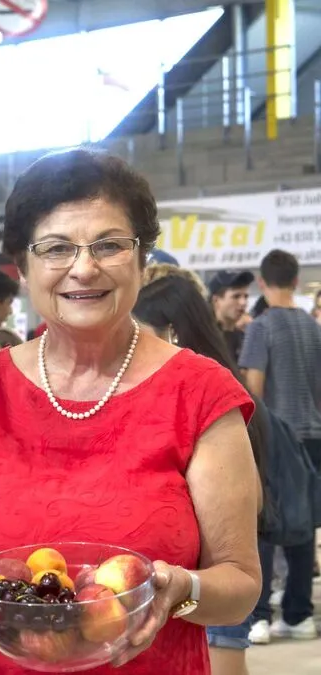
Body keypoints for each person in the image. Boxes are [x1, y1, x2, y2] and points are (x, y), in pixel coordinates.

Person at [0, 149, 261, 674]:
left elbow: (241, 583)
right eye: (55, 248)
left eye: (110, 245)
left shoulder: (200, 392)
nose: (84, 267)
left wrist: (181, 592)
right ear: (23, 269)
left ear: (143, 259)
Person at [133, 275, 269, 675]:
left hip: (209, 581)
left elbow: (253, 500)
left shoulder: (213, 396)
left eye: (140, 333)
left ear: (172, 332)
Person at [238, 249, 321, 642]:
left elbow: (253, 387)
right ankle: (299, 613)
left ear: (261, 282)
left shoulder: (261, 327)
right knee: (303, 525)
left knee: (263, 522)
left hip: (274, 437)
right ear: (296, 282)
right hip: (313, 435)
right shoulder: (313, 326)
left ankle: (258, 616)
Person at [208, 270, 254, 364]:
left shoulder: (246, 337)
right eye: (236, 296)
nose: (243, 302)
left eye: (245, 297)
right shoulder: (205, 338)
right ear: (216, 300)